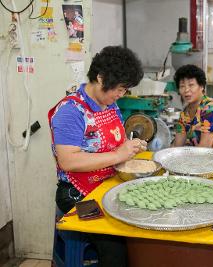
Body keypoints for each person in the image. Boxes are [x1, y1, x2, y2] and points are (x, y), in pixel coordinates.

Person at [48, 46, 146, 267]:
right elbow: (68, 160)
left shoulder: (110, 106)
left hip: (107, 184)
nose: (121, 95)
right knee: (114, 244)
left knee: (142, 227)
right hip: (77, 194)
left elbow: (117, 144)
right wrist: (117, 154)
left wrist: (129, 147)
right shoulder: (70, 111)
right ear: (101, 78)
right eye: (120, 89)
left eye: (125, 90)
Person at [173, 64, 213, 151]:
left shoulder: (210, 108)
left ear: (201, 87)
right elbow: (177, 145)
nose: (186, 90)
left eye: (191, 85)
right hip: (204, 153)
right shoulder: (185, 113)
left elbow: (205, 146)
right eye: (182, 86)